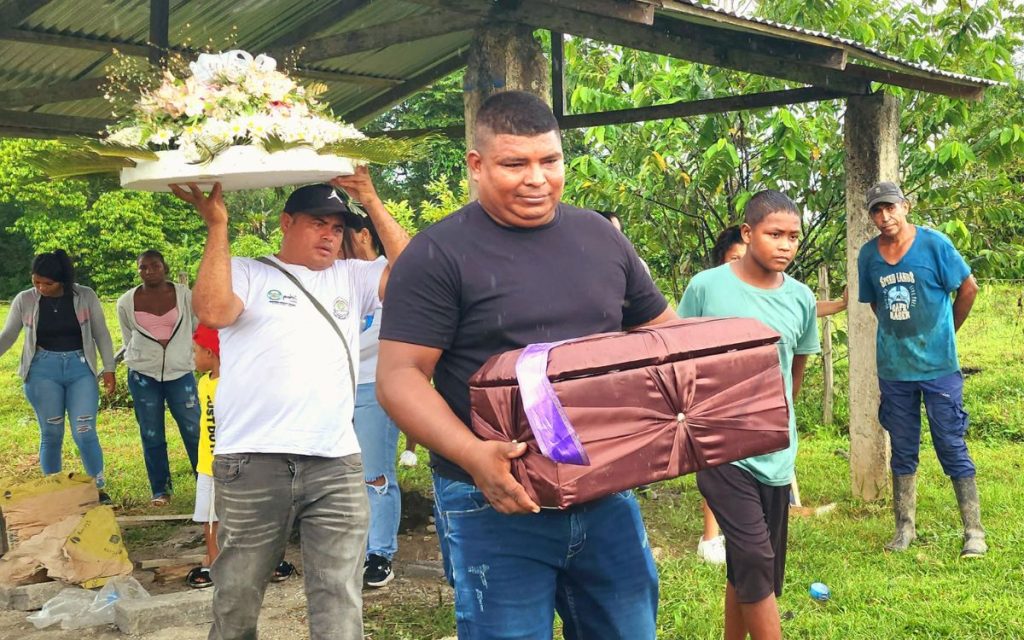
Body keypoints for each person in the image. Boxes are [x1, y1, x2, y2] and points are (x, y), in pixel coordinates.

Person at [377, 90, 675, 640]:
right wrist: (473, 456)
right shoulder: (437, 254)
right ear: (476, 165)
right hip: (494, 496)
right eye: (515, 164)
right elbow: (399, 377)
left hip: (605, 489)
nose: (537, 178)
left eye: (550, 160)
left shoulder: (601, 238)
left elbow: (665, 335)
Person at [170, 166, 407, 640]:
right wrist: (218, 227)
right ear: (286, 222)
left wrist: (373, 202)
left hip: (336, 462)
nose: (330, 235)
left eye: (338, 227)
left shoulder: (352, 277)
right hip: (254, 460)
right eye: (318, 223)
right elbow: (214, 311)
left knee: (339, 593)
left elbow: (420, 275)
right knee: (237, 593)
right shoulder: (248, 272)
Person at [679, 191, 820, 640]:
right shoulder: (707, 286)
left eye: (793, 236)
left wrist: (775, 418)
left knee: (752, 569)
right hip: (719, 447)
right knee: (756, 558)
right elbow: (678, 357)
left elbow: (793, 373)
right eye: (774, 234)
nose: (785, 245)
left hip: (774, 450)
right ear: (747, 233)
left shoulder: (801, 298)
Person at [856, 181, 985, 558]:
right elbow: (876, 304)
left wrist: (945, 333)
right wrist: (899, 339)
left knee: (950, 442)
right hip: (895, 369)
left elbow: (968, 288)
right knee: (903, 446)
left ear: (905, 206)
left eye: (890, 208)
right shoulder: (869, 257)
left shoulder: (934, 245)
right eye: (876, 211)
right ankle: (904, 528)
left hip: (939, 366)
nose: (884, 217)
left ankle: (974, 531)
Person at [0, 249, 116, 503]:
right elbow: (8, 335)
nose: (41, 287)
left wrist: (109, 368)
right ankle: (54, 490)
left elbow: (101, 334)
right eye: (36, 281)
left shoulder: (85, 296)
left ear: (63, 281)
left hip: (80, 369)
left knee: (85, 430)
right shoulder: (24, 300)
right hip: (42, 371)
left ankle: (96, 488)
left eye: (48, 283)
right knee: (51, 433)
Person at [341, 210, 401, 588]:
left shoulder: (387, 273)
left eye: (339, 233)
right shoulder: (336, 274)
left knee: (375, 474)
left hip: (372, 387)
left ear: (363, 236)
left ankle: (380, 553)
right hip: (334, 388)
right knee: (341, 476)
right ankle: (353, 550)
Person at [116, 250, 200, 506]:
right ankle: (160, 490)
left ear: (165, 267)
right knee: (151, 433)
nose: (149, 271)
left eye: (154, 266)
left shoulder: (185, 295)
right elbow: (128, 338)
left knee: (194, 429)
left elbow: (196, 328)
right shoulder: (126, 301)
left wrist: (188, 357)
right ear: (138, 270)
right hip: (143, 375)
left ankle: (207, 481)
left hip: (180, 373)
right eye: (143, 267)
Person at [713, 225, 847, 318]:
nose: (743, 265)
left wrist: (842, 304)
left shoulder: (768, 289)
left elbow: (805, 308)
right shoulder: (708, 290)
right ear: (721, 259)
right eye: (735, 259)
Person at [187, 324, 220, 589]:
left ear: (210, 352)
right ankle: (213, 560)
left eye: (196, 351)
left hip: (232, 465)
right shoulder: (203, 382)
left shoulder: (232, 383)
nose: (193, 356)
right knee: (209, 516)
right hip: (206, 464)